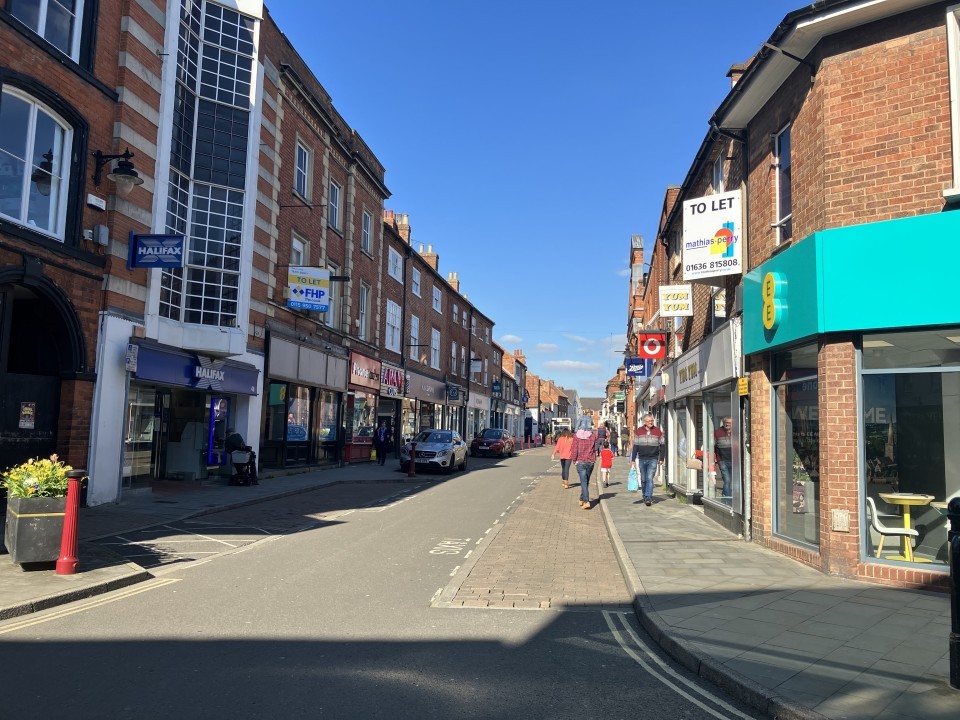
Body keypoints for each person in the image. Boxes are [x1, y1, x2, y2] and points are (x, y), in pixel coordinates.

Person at [631, 413, 664, 506]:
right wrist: (633, 459)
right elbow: (635, 446)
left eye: (652, 420)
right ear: (644, 422)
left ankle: (648, 497)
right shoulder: (638, 431)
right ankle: (644, 495)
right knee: (643, 479)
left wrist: (661, 458)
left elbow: (663, 445)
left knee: (649, 478)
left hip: (653, 458)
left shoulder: (657, 431)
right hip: (642, 458)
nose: (651, 422)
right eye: (649, 421)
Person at [570, 415, 598, 510]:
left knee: (583, 482)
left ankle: (586, 501)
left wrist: (574, 460)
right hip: (590, 461)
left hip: (580, 461)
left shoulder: (576, 436)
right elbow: (595, 448)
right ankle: (581, 499)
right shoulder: (593, 436)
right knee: (586, 482)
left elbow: (574, 449)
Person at [714, 416, 734, 498]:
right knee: (727, 480)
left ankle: (724, 495)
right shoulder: (718, 432)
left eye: (729, 423)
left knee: (730, 481)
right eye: (726, 422)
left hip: (734, 461)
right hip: (722, 461)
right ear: (723, 423)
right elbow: (712, 446)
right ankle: (728, 499)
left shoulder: (736, 432)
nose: (727, 424)